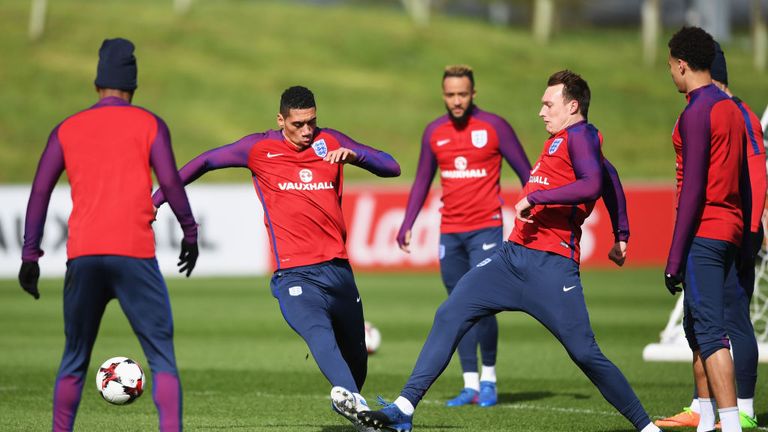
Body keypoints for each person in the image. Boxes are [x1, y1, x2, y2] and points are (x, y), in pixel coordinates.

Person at [353, 70, 660, 432]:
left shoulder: (583, 134)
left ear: (573, 106)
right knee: (451, 312)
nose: (541, 111)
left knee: (585, 354)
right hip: (512, 257)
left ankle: (646, 427)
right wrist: (621, 232)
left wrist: (538, 197)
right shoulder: (561, 141)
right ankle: (404, 407)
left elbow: (596, 183)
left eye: (549, 103)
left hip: (551, 267)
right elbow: (609, 177)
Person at [151, 85, 400, 431]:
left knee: (356, 360)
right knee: (317, 333)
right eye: (298, 124)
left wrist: (357, 157)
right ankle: (356, 403)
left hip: (340, 271)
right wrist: (159, 196)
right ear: (281, 120)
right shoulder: (259, 148)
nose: (307, 131)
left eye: (312, 122)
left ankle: (354, 405)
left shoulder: (331, 141)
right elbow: (206, 160)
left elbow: (393, 167)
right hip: (294, 274)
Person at [18, 38, 199, 432]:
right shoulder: (150, 124)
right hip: (134, 254)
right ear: (133, 84)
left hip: (84, 255)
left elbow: (40, 193)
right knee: (162, 358)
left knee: (74, 357)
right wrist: (189, 231)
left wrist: (29, 256)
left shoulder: (66, 129)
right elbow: (169, 183)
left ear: (96, 82)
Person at [396, 65, 531, 407]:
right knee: (457, 308)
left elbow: (528, 174)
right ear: (443, 95)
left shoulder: (495, 127)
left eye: (462, 94)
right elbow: (422, 181)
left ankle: (489, 379)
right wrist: (407, 222)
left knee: (483, 306)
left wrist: (534, 209)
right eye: (450, 94)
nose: (456, 101)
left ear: (473, 94)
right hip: (450, 232)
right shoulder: (433, 132)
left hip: (486, 228)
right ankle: (469, 385)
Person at [656, 41, 766, 431]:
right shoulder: (732, 113)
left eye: (670, 65)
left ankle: (736, 420)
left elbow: (695, 188)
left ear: (683, 65)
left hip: (710, 231)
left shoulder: (703, 112)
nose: (669, 72)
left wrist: (674, 257)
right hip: (731, 229)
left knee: (715, 328)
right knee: (700, 324)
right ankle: (705, 417)